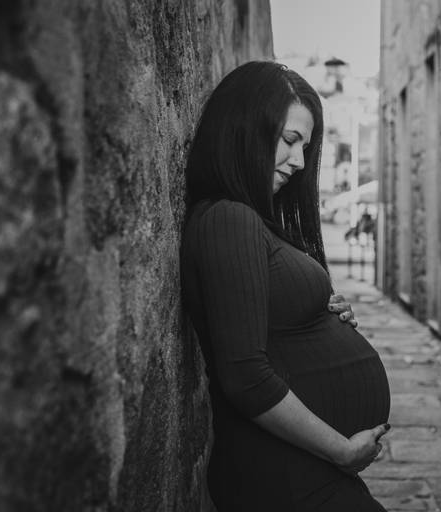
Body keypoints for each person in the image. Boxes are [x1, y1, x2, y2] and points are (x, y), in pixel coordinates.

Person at [180, 61, 391, 511]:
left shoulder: (252, 221)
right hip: (285, 478)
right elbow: (246, 376)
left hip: (302, 474)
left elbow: (269, 325)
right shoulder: (228, 219)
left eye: (305, 147)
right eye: (290, 140)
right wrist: (342, 450)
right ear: (244, 129)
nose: (298, 162)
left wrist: (321, 315)